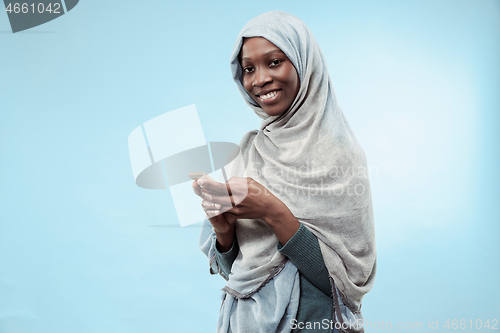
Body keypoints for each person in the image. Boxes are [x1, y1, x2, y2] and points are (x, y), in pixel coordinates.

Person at [194, 11, 376, 333]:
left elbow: (343, 286)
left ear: (304, 64)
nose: (259, 79)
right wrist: (223, 234)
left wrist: (272, 211)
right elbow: (232, 271)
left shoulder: (341, 156)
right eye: (248, 69)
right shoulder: (248, 152)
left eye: (274, 62)